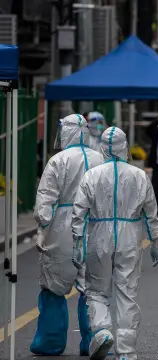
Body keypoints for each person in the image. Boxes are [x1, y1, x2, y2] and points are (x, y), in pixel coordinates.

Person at [71, 126, 158, 360]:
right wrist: (154, 241)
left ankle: (101, 330)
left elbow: (79, 211)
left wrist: (77, 241)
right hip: (130, 235)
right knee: (127, 291)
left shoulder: (92, 175)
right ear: (125, 146)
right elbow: (151, 211)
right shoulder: (139, 175)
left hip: (98, 233)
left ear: (102, 147)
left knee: (96, 290)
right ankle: (126, 351)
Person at [31, 114, 104, 356]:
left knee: (53, 286)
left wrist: (42, 228)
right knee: (92, 287)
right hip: (93, 225)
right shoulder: (99, 158)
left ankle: (50, 342)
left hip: (61, 227)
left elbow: (46, 198)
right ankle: (94, 339)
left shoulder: (58, 161)